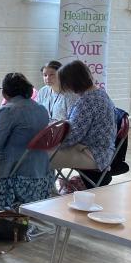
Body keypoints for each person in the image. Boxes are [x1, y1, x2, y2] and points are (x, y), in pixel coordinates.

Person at [0, 73, 51, 211]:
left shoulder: (8, 110)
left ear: (5, 92)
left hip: (15, 170)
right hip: (41, 170)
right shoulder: (42, 109)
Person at [51, 60, 117, 188]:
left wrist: (50, 138)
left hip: (94, 155)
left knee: (39, 155)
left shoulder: (87, 101)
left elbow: (72, 137)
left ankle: (45, 194)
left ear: (72, 82)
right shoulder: (100, 94)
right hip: (102, 151)